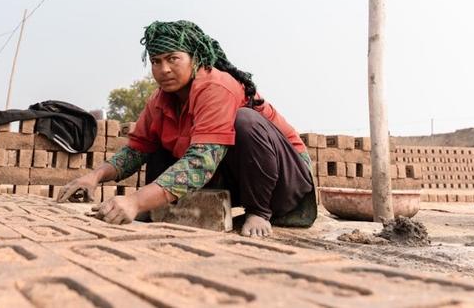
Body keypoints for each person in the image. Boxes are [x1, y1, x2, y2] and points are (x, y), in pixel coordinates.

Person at [57, 20, 316, 237]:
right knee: (161, 141)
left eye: (173, 59)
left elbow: (201, 162)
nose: (164, 69)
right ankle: (160, 209)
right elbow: (136, 151)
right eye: (156, 61)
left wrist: (136, 200)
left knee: (243, 122)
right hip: (235, 175)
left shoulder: (216, 86)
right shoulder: (160, 100)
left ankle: (259, 212)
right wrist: (94, 176)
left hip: (285, 181)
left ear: (195, 59)